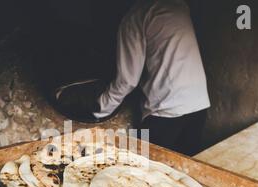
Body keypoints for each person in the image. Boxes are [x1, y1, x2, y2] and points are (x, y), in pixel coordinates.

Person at [56, 0, 210, 156]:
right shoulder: (178, 5)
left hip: (167, 110)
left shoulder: (136, 17)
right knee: (184, 170)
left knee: (139, 170)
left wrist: (100, 110)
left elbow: (127, 80)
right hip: (199, 104)